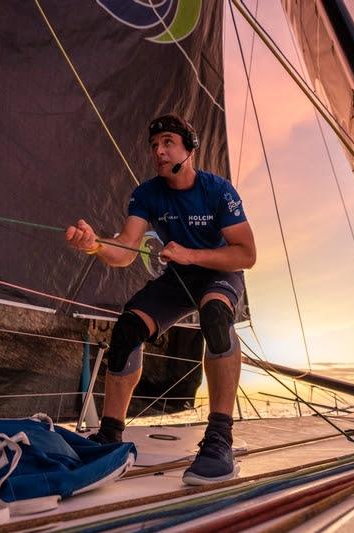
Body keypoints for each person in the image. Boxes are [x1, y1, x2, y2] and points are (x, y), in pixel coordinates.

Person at [65, 114, 256, 485]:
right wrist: (95, 245)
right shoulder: (147, 193)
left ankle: (219, 439)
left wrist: (190, 255)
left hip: (219, 272)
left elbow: (245, 254)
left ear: (189, 148)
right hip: (178, 277)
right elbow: (124, 252)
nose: (159, 151)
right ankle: (109, 436)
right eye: (154, 145)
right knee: (127, 329)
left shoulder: (219, 191)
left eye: (168, 142)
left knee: (215, 319)